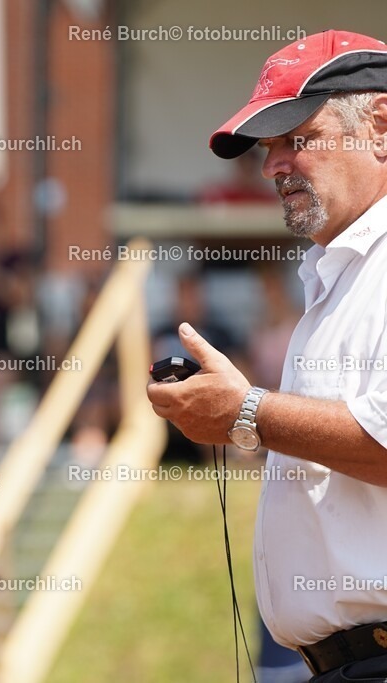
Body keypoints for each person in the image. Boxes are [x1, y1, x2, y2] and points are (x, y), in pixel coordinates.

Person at [148, 30, 387, 682]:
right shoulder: (339, 274)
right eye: (267, 147)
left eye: (297, 138)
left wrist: (246, 411)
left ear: (381, 127)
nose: (271, 166)